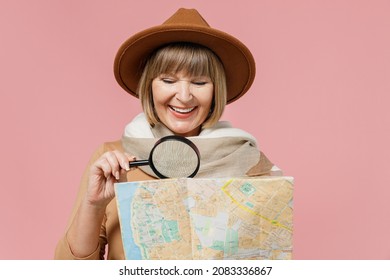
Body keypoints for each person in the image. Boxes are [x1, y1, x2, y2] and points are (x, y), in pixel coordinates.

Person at [54, 8, 282, 260]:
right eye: (168, 80)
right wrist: (93, 205)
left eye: (199, 82)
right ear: (149, 86)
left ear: (216, 90)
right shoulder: (111, 159)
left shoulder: (248, 162)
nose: (184, 97)